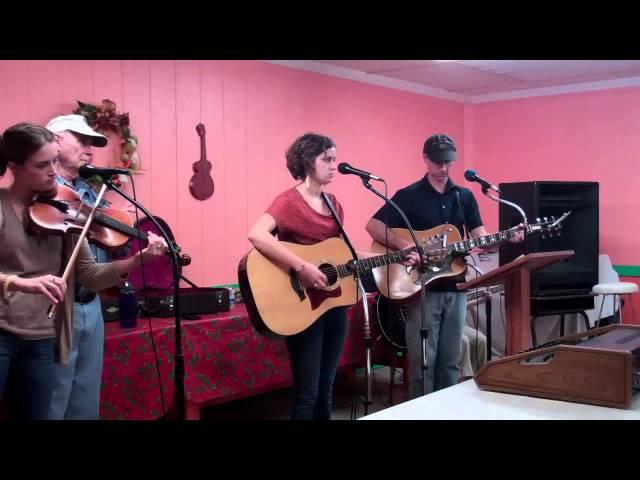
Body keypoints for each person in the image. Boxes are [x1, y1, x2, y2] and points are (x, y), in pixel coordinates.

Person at [0, 122, 168, 420]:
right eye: (42, 164)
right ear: (15, 167)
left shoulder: (65, 211)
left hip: (41, 336)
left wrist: (136, 261)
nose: (53, 171)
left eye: (54, 160)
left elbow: (89, 274)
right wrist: (21, 283)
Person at [247, 132, 417, 420]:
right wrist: (303, 268)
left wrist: (397, 256)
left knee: (327, 390)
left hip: (334, 305)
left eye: (335, 159)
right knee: (307, 393)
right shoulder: (288, 202)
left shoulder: (333, 204)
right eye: (327, 159)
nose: (334, 165)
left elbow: (346, 255)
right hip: (302, 305)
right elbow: (257, 234)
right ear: (306, 161)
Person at [366, 133, 523, 398]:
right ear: (425, 159)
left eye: (448, 163)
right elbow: (373, 225)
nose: (443, 169)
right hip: (421, 289)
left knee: (450, 363)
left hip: (456, 287)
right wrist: (406, 246)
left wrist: (507, 237)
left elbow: (481, 239)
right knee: (422, 366)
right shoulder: (409, 195)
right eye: (438, 162)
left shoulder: (464, 197)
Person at [44, 114, 119, 420]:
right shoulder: (43, 191)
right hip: (58, 307)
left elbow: (97, 256)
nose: (90, 149)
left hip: (92, 304)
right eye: (82, 140)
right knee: (53, 398)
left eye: (93, 143)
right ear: (56, 141)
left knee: (86, 399)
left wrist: (122, 232)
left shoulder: (90, 194)